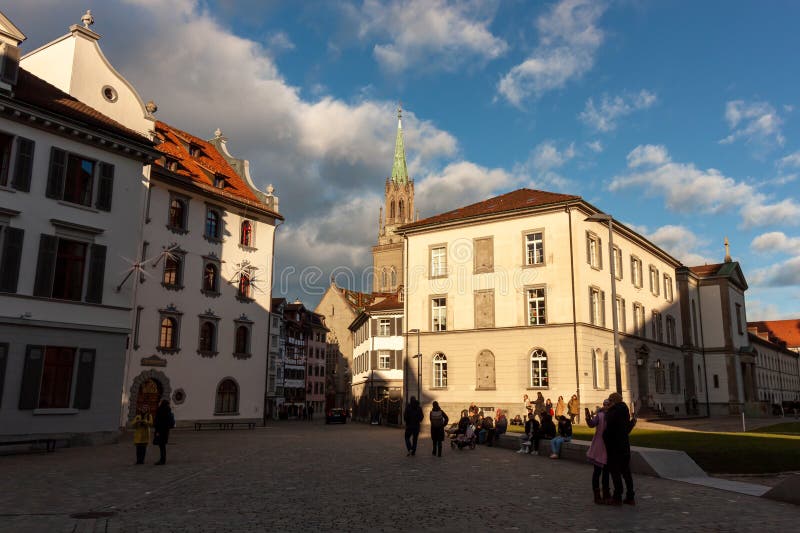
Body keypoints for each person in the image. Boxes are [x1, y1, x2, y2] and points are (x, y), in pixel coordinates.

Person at [604, 393, 637, 505]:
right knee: (626, 472)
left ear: (613, 401)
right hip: (624, 445)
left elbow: (608, 425)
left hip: (614, 446)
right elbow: (626, 429)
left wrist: (607, 410)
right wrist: (632, 424)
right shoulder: (625, 411)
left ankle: (617, 496)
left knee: (615, 472)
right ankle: (630, 496)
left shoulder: (613, 411)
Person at [586, 400, 611, 504]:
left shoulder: (612, 415)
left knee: (606, 472)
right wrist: (588, 418)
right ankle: (597, 495)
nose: (605, 406)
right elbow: (592, 424)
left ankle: (606, 494)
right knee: (597, 471)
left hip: (608, 445)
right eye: (604, 404)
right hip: (599, 445)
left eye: (607, 404)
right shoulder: (600, 415)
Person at [153, 399, 174, 465]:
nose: (159, 403)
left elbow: (158, 421)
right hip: (166, 431)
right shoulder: (168, 410)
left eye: (160, 402)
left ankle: (162, 460)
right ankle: (163, 459)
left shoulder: (160, 410)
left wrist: (157, 430)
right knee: (163, 446)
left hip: (160, 430)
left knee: (161, 446)